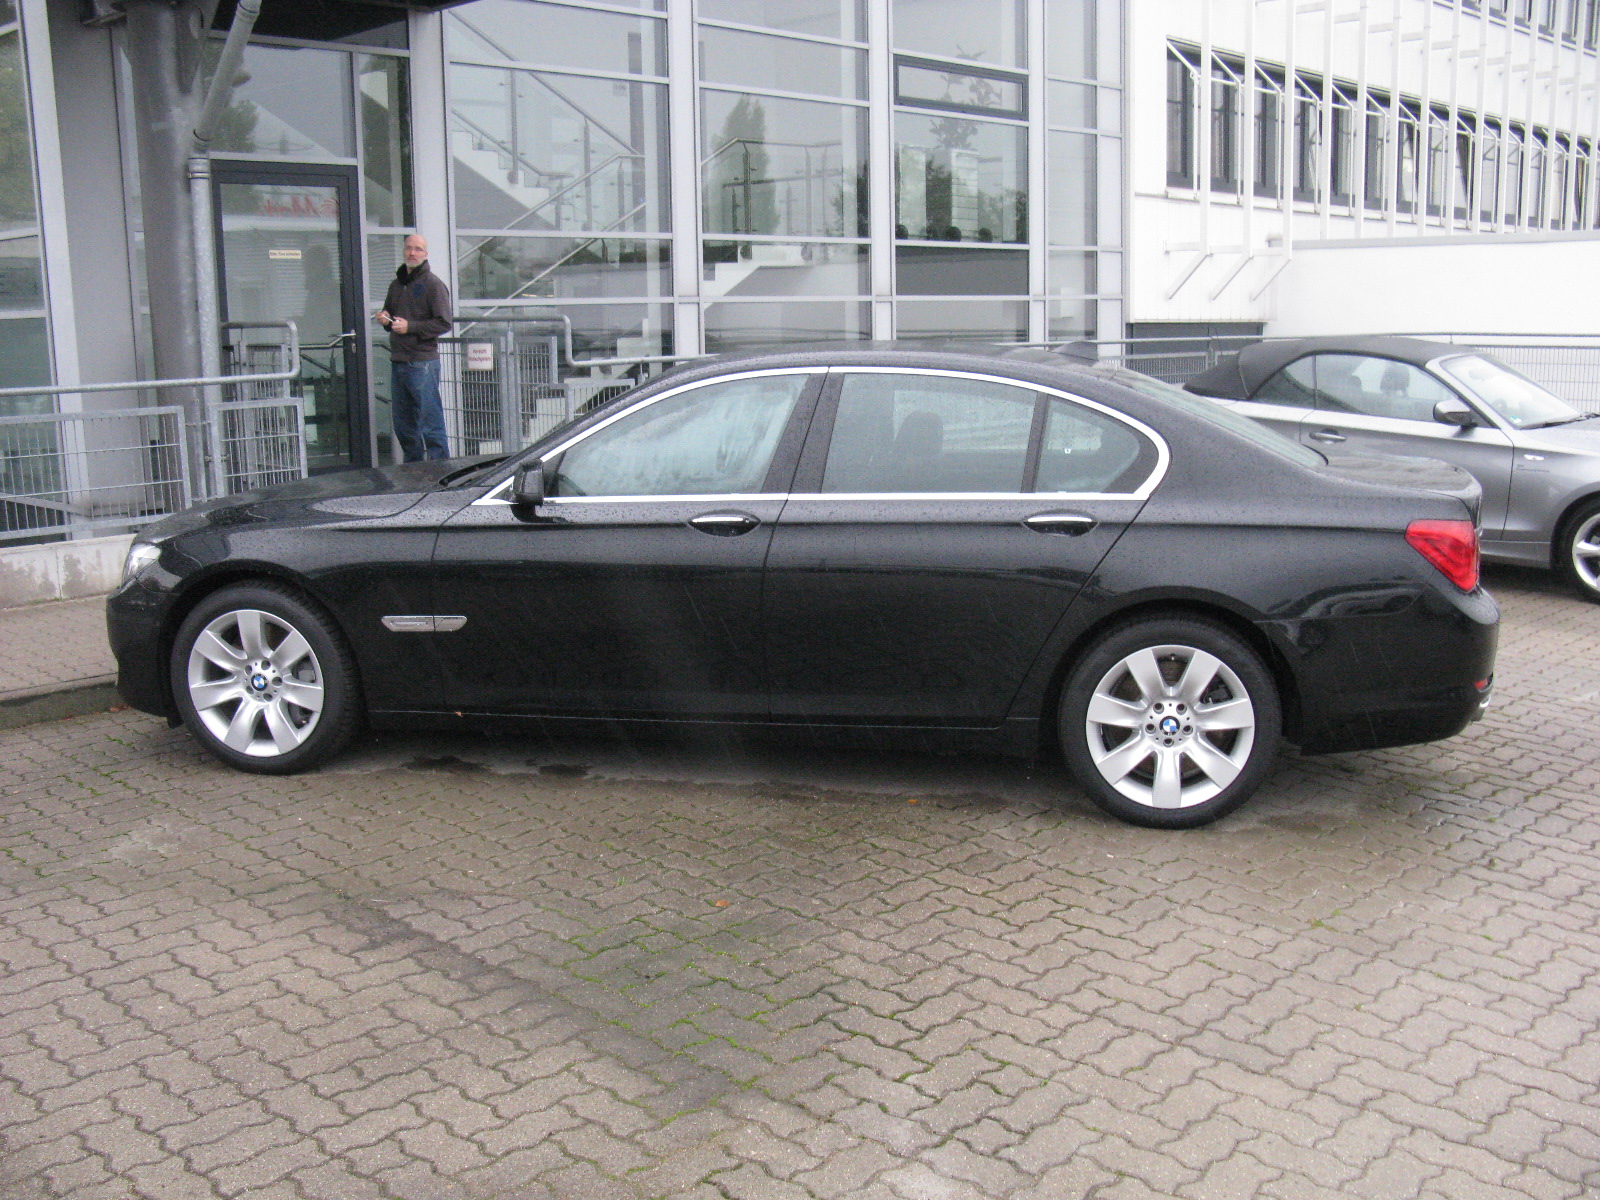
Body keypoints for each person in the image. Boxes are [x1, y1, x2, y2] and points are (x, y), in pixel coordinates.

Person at [375, 234, 453, 461]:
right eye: (409, 248)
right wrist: (386, 319)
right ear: (403, 251)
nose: (412, 253)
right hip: (398, 361)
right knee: (404, 425)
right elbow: (391, 315)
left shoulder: (434, 285)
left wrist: (411, 327)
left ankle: (439, 471)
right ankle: (414, 471)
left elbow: (444, 322)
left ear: (425, 254)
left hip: (422, 362)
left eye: (418, 249)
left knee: (430, 422)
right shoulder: (396, 285)